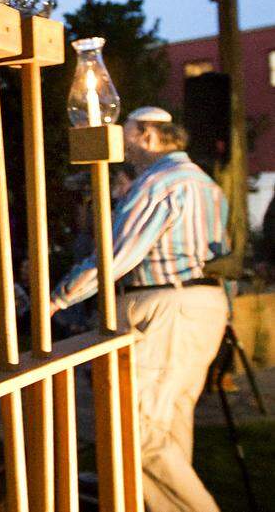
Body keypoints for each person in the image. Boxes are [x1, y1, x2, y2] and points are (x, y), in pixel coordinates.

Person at [51, 107, 229, 512]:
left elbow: (115, 257)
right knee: (167, 425)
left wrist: (59, 298)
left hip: (166, 306)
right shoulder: (205, 183)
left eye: (126, 132)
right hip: (201, 305)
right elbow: (221, 252)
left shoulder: (159, 183)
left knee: (136, 431)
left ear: (148, 135)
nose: (121, 143)